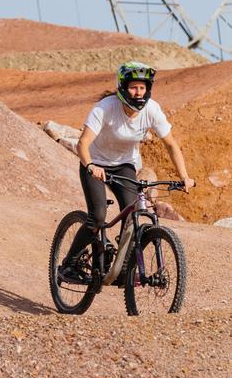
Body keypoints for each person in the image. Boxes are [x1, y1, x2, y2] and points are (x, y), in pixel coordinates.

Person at [60, 60, 195, 283]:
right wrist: (91, 166)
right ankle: (70, 264)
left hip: (124, 165)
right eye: (134, 87)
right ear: (123, 87)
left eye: (142, 88)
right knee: (97, 216)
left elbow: (171, 145)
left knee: (133, 213)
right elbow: (82, 143)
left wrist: (184, 177)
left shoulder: (151, 109)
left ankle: (122, 267)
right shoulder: (105, 108)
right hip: (94, 163)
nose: (138, 92)